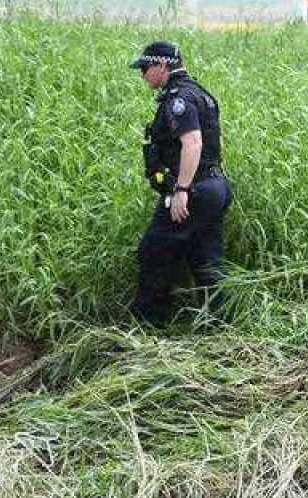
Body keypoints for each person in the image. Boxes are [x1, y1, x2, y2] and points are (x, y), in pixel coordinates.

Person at [128, 41, 232, 327]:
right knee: (206, 259)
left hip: (195, 190)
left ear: (162, 65)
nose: (143, 74)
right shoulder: (201, 94)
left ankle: (145, 327)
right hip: (215, 186)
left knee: (153, 251)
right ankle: (218, 326)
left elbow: (193, 142)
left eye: (146, 68)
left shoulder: (179, 100)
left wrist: (182, 190)